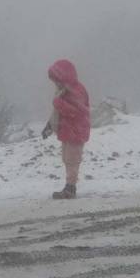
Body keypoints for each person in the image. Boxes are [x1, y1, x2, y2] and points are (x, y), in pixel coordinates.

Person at [41, 59, 90, 199]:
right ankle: (69, 186)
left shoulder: (76, 91)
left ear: (64, 77)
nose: (55, 83)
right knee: (66, 159)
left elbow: (76, 111)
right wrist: (50, 126)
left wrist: (58, 102)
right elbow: (57, 112)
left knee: (72, 159)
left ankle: (70, 188)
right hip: (68, 130)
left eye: (57, 80)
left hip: (76, 130)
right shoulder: (63, 91)